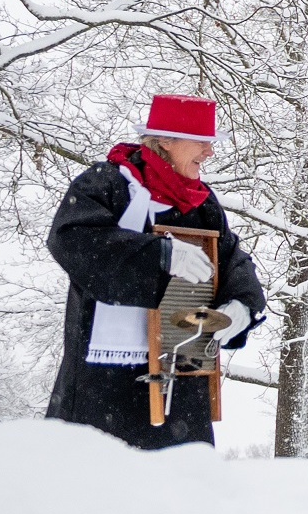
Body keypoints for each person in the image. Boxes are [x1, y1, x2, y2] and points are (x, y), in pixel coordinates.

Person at [45, 93, 266, 449]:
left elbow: (232, 260)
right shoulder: (107, 184)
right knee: (96, 476)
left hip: (182, 386)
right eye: (201, 141)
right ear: (165, 140)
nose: (209, 151)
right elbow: (72, 239)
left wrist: (243, 304)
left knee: (181, 480)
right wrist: (160, 255)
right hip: (102, 387)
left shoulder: (202, 202)